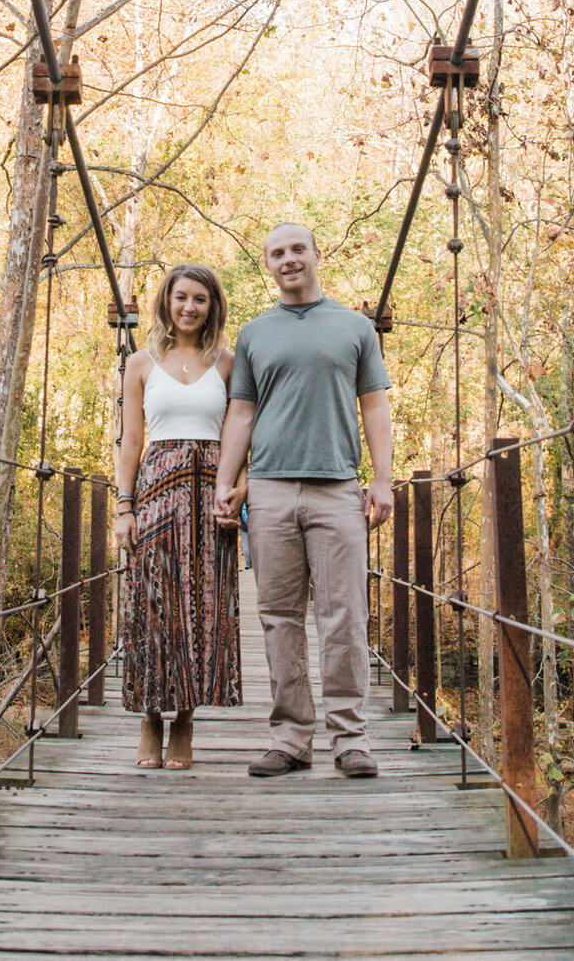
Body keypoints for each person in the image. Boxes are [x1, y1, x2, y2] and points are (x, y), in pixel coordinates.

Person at [213, 222, 393, 778]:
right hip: (268, 490)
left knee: (345, 616)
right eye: (277, 253)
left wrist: (382, 479)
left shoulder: (356, 327)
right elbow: (241, 412)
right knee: (277, 617)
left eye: (297, 250)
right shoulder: (254, 334)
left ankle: (350, 740)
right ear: (267, 264)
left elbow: (375, 406)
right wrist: (227, 480)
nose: (288, 260)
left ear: (317, 254)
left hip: (338, 488)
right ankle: (290, 739)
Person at [114, 263, 242, 769]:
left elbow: (245, 433)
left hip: (212, 492)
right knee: (152, 605)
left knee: (204, 607)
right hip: (156, 490)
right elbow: (130, 441)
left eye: (201, 300)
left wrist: (241, 487)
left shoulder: (229, 364)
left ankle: (185, 721)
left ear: (213, 307)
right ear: (166, 301)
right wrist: (124, 506)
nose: (190, 308)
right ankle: (150, 718)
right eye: (181, 297)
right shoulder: (140, 363)